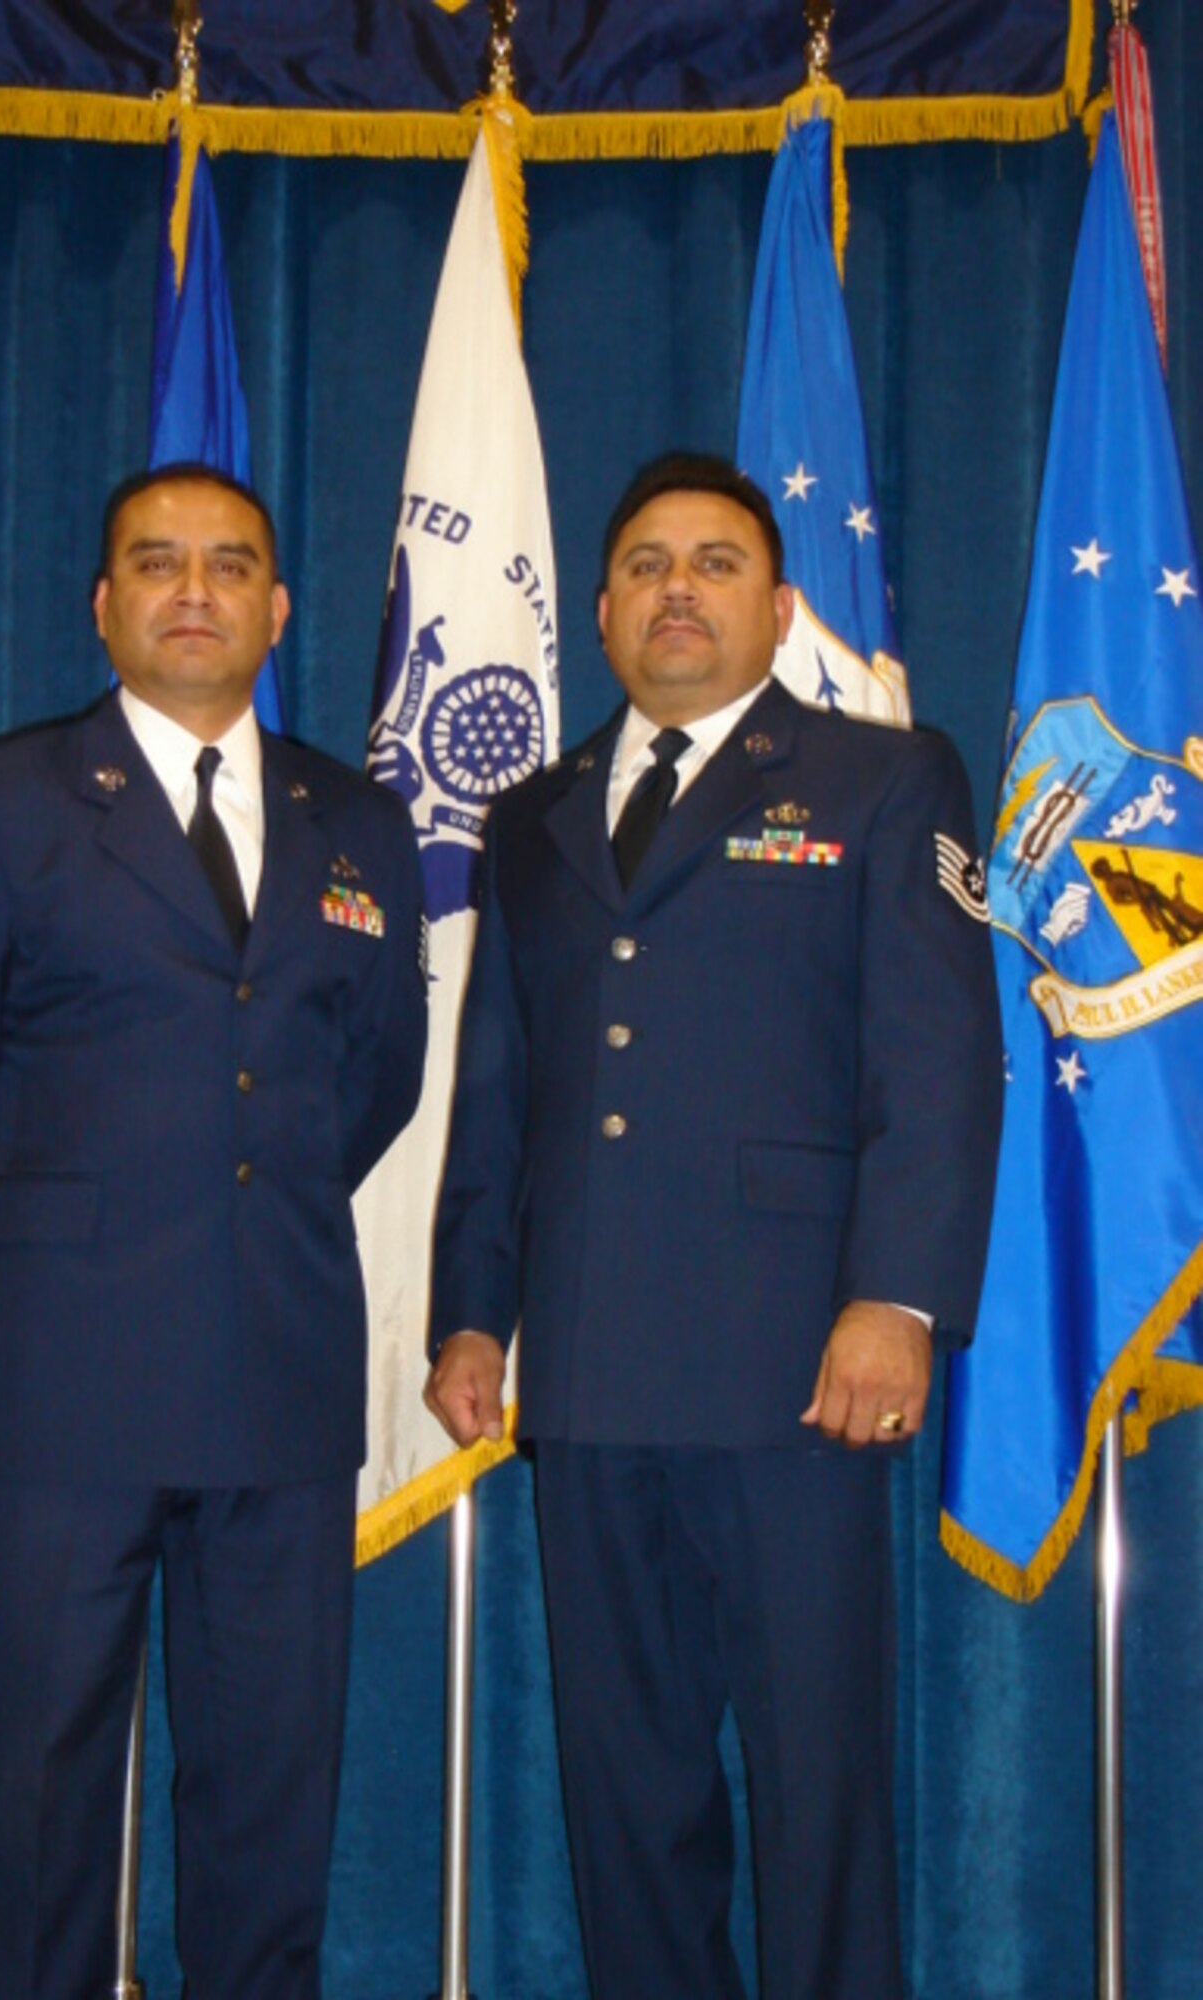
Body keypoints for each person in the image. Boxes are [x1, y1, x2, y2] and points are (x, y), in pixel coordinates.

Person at [425, 452, 1002, 1999]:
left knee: (818, 1796)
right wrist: (472, 1309)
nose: (680, 588)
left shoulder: (885, 780)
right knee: (630, 1800)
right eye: (650, 566)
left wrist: (897, 1298)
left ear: (779, 600)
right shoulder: (533, 815)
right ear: (602, 615)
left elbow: (939, 1064)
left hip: (795, 1372)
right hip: (596, 1375)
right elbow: (500, 1081)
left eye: (718, 562)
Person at [0, 463, 427, 2000]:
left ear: (279, 607)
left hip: (282, 1373)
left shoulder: (358, 819)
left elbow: (376, 1082)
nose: (196, 589)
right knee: (41, 1799)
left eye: (231, 564)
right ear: (103, 603)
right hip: (65, 1375)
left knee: (270, 1799)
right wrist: (65, 1240)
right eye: (159, 563)